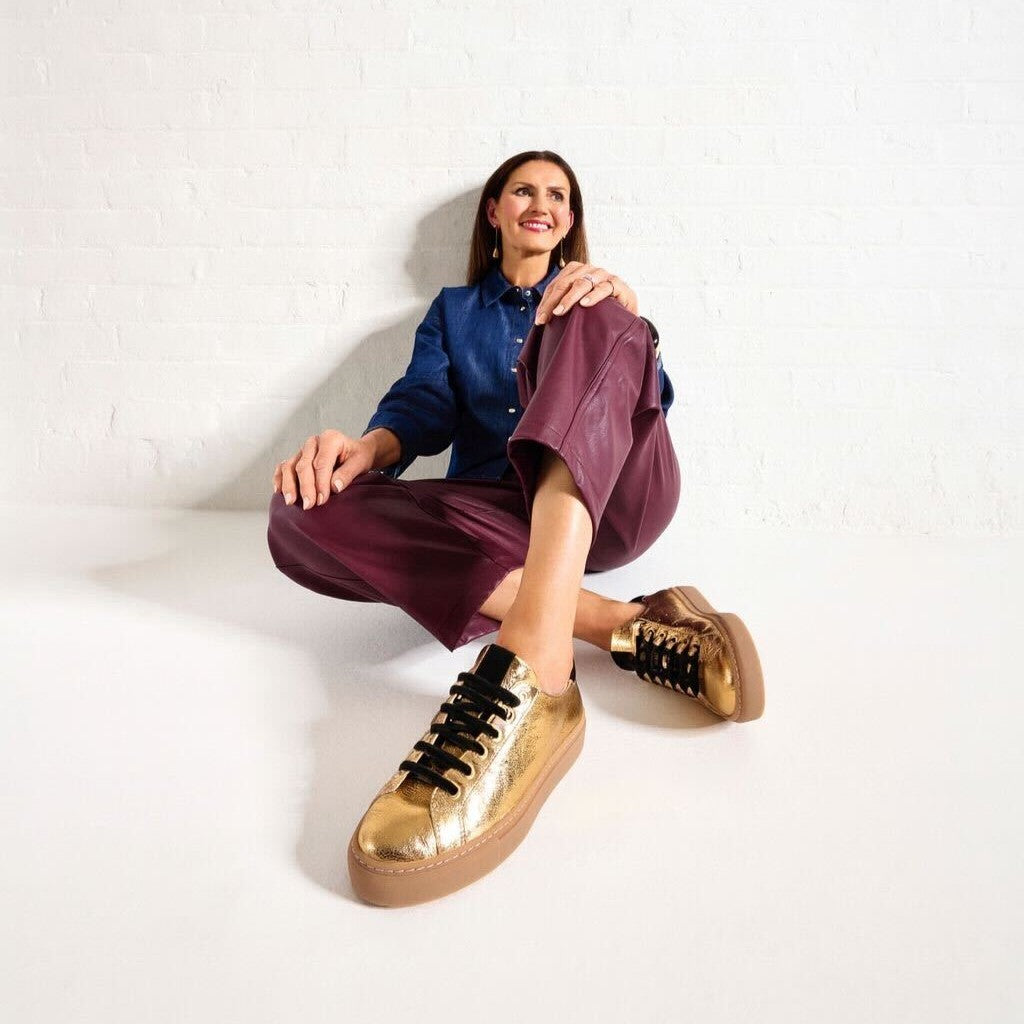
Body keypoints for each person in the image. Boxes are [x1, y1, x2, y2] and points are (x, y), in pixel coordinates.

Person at [266, 150, 765, 907]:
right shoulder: (452, 312)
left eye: (559, 195)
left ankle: (534, 661)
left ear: (570, 220)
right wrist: (364, 451)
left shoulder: (591, 299)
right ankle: (612, 623)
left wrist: (630, 325)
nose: (543, 203)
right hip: (497, 512)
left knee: (596, 311)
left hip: (614, 503)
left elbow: (646, 402)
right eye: (524, 190)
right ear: (494, 211)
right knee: (300, 508)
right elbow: (420, 405)